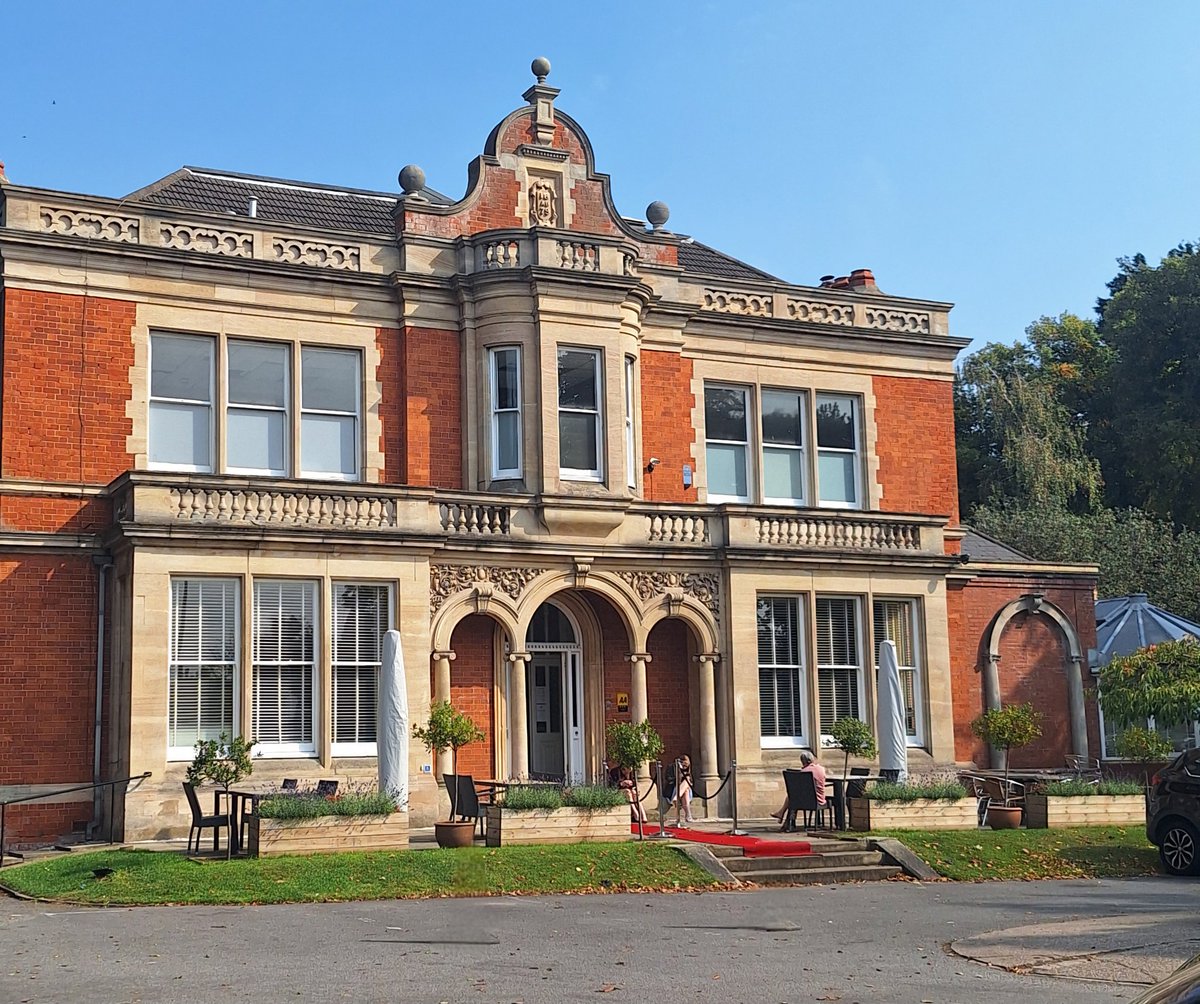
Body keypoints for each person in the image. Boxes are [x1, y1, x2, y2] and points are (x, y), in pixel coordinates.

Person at [771, 751, 828, 824]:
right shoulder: (821, 769)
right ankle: (782, 815)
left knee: (792, 797)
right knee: (792, 797)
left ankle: (784, 818)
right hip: (819, 799)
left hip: (805, 801)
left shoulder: (803, 772)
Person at [670, 755, 694, 826]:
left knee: (687, 785)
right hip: (675, 789)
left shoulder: (688, 770)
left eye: (687, 764)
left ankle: (676, 798)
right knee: (685, 790)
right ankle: (688, 815)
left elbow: (691, 783)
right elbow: (671, 780)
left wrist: (686, 776)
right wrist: (680, 771)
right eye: (684, 764)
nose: (685, 766)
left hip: (685, 791)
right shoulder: (673, 768)